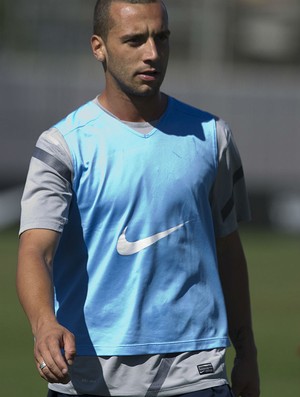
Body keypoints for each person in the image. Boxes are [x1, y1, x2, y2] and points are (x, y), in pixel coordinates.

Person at [16, 1, 260, 396]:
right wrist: (44, 324)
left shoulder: (212, 136)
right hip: (89, 373)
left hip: (194, 371)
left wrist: (247, 352)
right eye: (134, 40)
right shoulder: (62, 146)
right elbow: (35, 251)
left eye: (160, 38)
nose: (152, 53)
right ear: (99, 47)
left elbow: (227, 247)